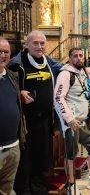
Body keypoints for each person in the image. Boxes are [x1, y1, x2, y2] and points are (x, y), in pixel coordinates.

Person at [8, 30, 63, 194]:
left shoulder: (49, 62)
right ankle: (25, 190)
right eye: (35, 43)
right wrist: (19, 92)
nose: (39, 46)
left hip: (46, 121)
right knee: (26, 161)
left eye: (42, 43)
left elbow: (66, 69)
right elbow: (6, 85)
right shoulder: (16, 64)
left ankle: (39, 189)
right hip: (26, 123)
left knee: (43, 158)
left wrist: (83, 70)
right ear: (27, 44)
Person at [54, 47, 90, 193]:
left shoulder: (83, 71)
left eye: (81, 55)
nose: (79, 58)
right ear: (69, 58)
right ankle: (70, 185)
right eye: (75, 56)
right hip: (72, 123)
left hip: (85, 120)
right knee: (71, 155)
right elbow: (58, 98)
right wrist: (69, 119)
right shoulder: (65, 74)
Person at [0, 37, 26, 194]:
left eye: (6, 52)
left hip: (12, 147)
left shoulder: (12, 76)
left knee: (8, 187)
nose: (2, 55)